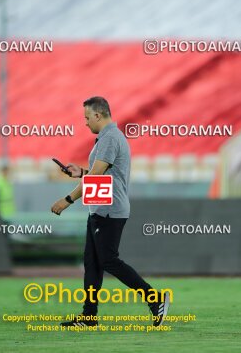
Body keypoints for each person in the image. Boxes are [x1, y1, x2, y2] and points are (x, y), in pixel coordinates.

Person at [51, 96, 169, 327]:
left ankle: (155, 299)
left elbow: (96, 176)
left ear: (98, 115)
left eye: (86, 117)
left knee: (108, 261)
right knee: (93, 263)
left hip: (109, 210)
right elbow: (98, 174)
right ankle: (88, 316)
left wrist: (67, 200)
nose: (85, 122)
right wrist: (81, 172)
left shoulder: (110, 139)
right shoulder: (106, 138)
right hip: (100, 208)